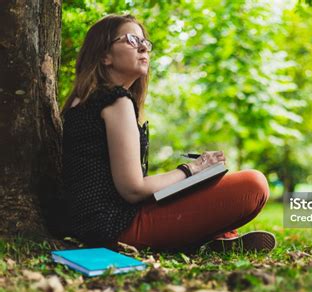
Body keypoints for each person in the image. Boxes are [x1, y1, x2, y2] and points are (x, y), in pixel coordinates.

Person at [59, 14, 276, 253]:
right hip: (115, 229)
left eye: (145, 43)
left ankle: (217, 237)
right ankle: (212, 236)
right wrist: (191, 169)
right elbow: (133, 189)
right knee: (254, 185)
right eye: (131, 40)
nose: (143, 47)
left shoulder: (82, 102)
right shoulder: (115, 101)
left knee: (203, 187)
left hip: (94, 225)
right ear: (104, 55)